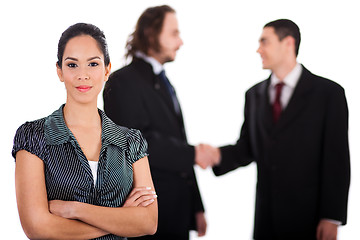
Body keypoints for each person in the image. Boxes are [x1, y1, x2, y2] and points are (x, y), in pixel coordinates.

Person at [12, 23, 158, 240]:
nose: (83, 75)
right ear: (59, 71)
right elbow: (36, 227)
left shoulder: (131, 141)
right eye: (72, 65)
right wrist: (122, 219)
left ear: (107, 70)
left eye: (92, 64)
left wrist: (75, 210)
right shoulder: (34, 136)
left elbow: (148, 222)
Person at [209, 19, 351, 240]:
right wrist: (215, 155)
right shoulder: (254, 95)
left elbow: (337, 159)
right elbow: (248, 148)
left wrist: (331, 217)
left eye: (264, 42)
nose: (258, 49)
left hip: (309, 220)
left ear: (288, 43)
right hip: (266, 220)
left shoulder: (328, 94)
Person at [103, 5, 213, 240]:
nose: (180, 42)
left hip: (177, 212)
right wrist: (193, 154)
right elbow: (136, 144)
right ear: (152, 35)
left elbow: (178, 139)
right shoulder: (122, 82)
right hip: (148, 215)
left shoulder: (164, 81)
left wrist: (196, 205)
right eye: (174, 33)